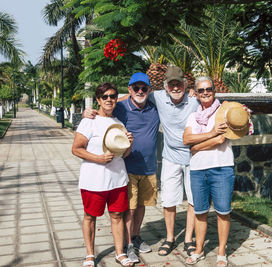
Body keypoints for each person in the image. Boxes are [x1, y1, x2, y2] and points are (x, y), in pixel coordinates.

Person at [83, 73, 160, 263]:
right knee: (129, 210)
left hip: (148, 167)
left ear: (149, 90)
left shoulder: (154, 108)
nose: (140, 91)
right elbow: (107, 106)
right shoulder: (121, 108)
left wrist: (191, 91)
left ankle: (134, 237)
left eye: (144, 88)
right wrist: (87, 111)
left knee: (141, 206)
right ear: (130, 89)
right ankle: (127, 245)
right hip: (127, 167)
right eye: (136, 88)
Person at [182, 77, 250, 267]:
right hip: (197, 171)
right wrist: (211, 133)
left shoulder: (225, 111)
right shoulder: (193, 116)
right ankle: (199, 250)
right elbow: (186, 139)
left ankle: (221, 252)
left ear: (214, 90)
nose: (205, 92)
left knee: (223, 212)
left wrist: (196, 147)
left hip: (221, 168)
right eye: (201, 90)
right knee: (200, 212)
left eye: (208, 89)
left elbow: (221, 141)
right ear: (195, 92)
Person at [72, 82, 134, 267]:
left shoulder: (119, 123)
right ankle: (90, 255)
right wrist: (98, 159)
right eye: (105, 96)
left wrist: (129, 143)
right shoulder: (89, 121)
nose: (109, 99)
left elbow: (125, 154)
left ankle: (120, 253)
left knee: (117, 216)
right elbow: (76, 149)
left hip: (117, 179)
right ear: (98, 100)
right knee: (90, 216)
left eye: (113, 96)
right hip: (94, 180)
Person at [148, 66, 199, 257]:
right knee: (168, 199)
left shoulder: (194, 100)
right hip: (170, 157)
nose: (175, 87)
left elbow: (214, 103)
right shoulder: (158, 97)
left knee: (193, 200)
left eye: (179, 83)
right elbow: (131, 99)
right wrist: (97, 110)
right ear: (165, 86)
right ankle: (169, 238)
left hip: (194, 157)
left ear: (185, 84)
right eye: (172, 84)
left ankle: (188, 239)